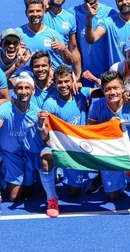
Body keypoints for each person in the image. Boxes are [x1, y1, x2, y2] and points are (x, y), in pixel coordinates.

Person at [0, 72, 47, 215]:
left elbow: (44, 136)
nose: (23, 92)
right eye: (20, 88)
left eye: (27, 88)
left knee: (18, 196)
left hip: (18, 156)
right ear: (15, 90)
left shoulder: (36, 113)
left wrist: (42, 125)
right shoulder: (4, 109)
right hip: (0, 150)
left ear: (33, 90)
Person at [86, 71, 130, 201]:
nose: (112, 92)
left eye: (115, 88)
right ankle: (108, 176)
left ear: (122, 88)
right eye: (108, 89)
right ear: (102, 90)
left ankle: (129, 175)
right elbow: (90, 132)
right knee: (112, 196)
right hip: (109, 153)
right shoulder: (96, 106)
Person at [38, 65, 93, 197]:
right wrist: (54, 146)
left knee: (74, 194)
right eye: (60, 82)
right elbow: (44, 134)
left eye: (66, 81)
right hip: (60, 147)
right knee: (45, 158)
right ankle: (51, 197)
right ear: (54, 84)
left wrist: (94, 79)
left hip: (79, 147)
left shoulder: (81, 93)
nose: (63, 85)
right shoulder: (50, 104)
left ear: (72, 81)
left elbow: (104, 91)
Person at [69, 0, 117, 87]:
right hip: (84, 75)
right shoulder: (72, 13)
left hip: (107, 73)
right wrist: (47, 5)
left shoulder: (111, 14)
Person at [83, 38, 130, 103]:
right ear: (125, 55)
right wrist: (123, 95)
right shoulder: (116, 68)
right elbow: (109, 88)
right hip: (126, 108)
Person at [85, 0, 130, 65]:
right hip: (115, 75)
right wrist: (89, 19)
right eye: (120, 0)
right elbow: (91, 39)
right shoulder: (108, 22)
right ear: (116, 2)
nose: (124, 2)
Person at [16, 0, 70, 71]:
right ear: (26, 13)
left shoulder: (53, 34)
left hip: (49, 78)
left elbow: (69, 61)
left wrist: (63, 49)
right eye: (31, 11)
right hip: (25, 77)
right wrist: (15, 49)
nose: (35, 14)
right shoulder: (17, 34)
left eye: (38, 11)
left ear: (44, 12)